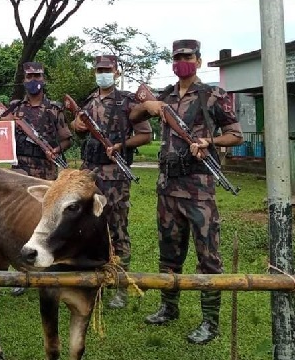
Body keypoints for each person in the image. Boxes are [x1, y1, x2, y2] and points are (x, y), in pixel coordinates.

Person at [130, 39, 243, 344]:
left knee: (208, 258)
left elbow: (236, 135)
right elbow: (133, 117)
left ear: (199, 60)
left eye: (188, 56)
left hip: (199, 191)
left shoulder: (212, 95)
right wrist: (148, 105)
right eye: (178, 57)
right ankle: (168, 308)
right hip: (167, 190)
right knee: (169, 255)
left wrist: (210, 142)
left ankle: (209, 321)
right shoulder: (164, 96)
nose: (183, 61)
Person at [70, 55, 152, 309]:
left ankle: (120, 288)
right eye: (99, 69)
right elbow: (75, 126)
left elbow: (146, 135)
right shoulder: (89, 101)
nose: (102, 73)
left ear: (116, 72)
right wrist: (77, 125)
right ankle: (93, 283)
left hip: (115, 175)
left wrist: (120, 146)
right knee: (88, 228)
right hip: (89, 175)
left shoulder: (127, 102)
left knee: (117, 230)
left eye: (107, 69)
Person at [1, 61, 72, 295]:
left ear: (44, 78)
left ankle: (48, 266)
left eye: (37, 75)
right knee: (21, 222)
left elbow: (66, 138)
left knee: (46, 222)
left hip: (45, 172)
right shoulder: (14, 108)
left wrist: (56, 151)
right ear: (23, 79)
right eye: (29, 76)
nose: (33, 80)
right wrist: (6, 123)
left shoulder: (54, 109)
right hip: (20, 171)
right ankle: (24, 272)